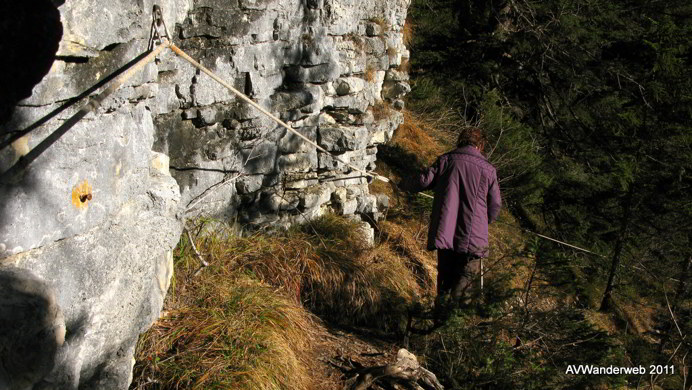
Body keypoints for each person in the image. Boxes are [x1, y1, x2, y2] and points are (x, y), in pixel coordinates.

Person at [403, 127, 502, 318]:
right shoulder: (488, 170)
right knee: (465, 282)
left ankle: (439, 321)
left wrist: (401, 183)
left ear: (460, 141)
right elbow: (495, 204)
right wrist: (484, 223)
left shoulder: (446, 160)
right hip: (474, 238)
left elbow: (424, 181)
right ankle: (454, 328)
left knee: (445, 280)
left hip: (445, 234)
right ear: (480, 145)